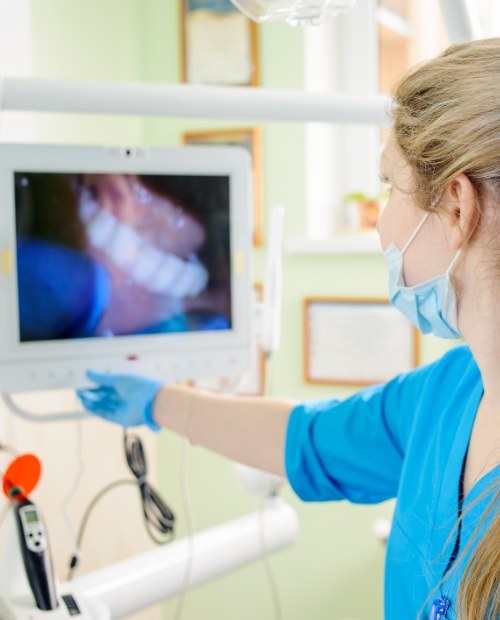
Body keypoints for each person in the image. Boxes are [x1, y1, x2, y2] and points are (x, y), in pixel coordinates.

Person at [77, 38, 500, 620]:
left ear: (456, 207)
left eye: (387, 186)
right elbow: (310, 439)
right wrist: (158, 402)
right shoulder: (453, 393)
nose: (380, 224)